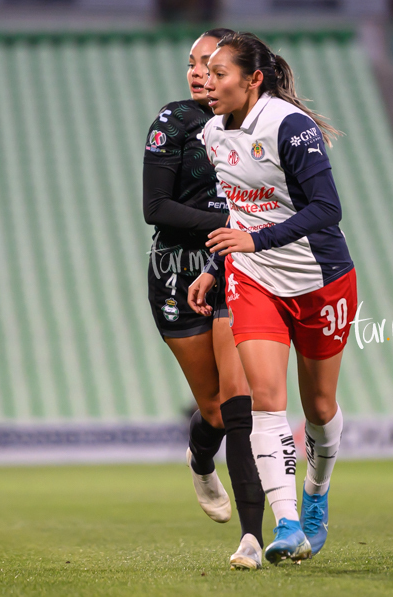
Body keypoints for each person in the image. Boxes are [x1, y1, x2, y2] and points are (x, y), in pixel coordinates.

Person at [188, 31, 355, 565]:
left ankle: (315, 495)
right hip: (254, 279)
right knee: (266, 399)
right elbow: (241, 212)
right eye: (205, 73)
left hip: (319, 278)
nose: (206, 83)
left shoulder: (289, 125)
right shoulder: (213, 132)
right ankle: (286, 524)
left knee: (321, 408)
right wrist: (217, 266)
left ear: (253, 79)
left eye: (218, 74)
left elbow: (327, 209)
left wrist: (255, 239)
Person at [143, 28, 266, 570]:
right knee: (213, 407)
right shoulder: (173, 122)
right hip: (177, 272)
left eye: (210, 63)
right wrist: (230, 222)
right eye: (193, 62)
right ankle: (199, 461)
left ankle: (251, 538)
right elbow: (156, 208)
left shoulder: (254, 121)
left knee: (239, 403)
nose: (198, 72)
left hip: (235, 269)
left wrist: (246, 235)